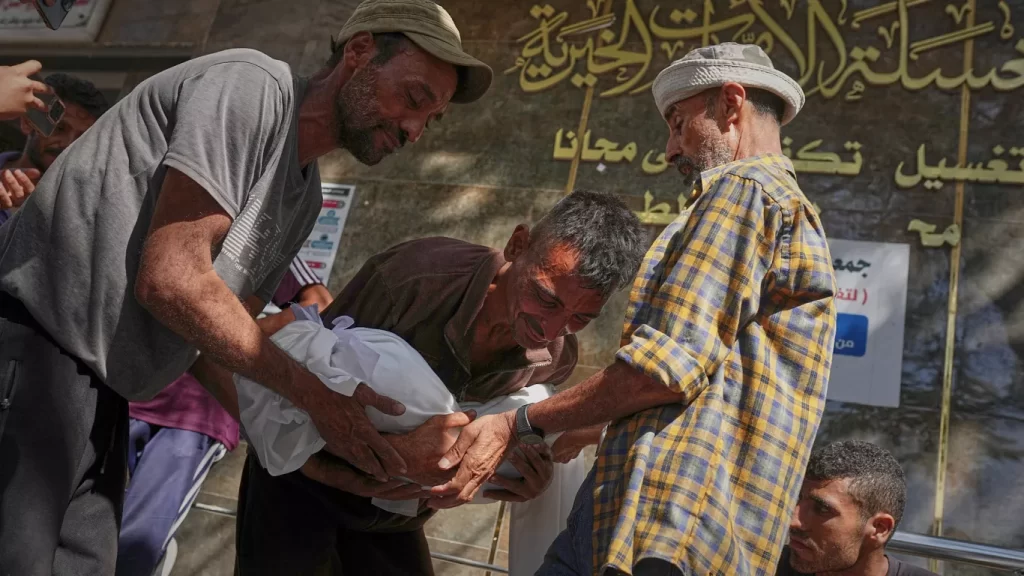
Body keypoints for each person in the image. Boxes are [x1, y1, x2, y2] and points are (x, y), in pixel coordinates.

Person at [0, 0, 492, 572]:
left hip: (107, 397)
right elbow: (173, 279)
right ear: (359, 52)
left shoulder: (304, 198)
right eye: (413, 98)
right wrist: (319, 400)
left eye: (432, 120)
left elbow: (208, 342)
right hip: (38, 353)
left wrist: (310, 457)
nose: (414, 130)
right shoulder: (251, 85)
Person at [423, 43, 838, 576]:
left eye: (678, 124)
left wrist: (517, 422)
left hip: (667, 529)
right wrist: (593, 423)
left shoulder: (741, 192)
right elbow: (709, 382)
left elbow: (662, 369)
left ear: (731, 105)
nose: (669, 149)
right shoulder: (788, 209)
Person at [233, 190, 648, 576]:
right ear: (517, 245)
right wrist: (394, 455)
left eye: (581, 318)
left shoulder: (556, 357)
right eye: (545, 298)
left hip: (394, 519)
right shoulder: (412, 279)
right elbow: (302, 382)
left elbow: (501, 439)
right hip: (300, 488)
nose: (551, 329)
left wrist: (528, 481)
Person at [116, 257, 332, 576]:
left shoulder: (260, 238)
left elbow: (320, 303)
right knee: (86, 528)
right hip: (126, 391)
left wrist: (232, 337)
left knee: (136, 548)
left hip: (194, 414)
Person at [777, 441, 937, 576]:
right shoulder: (768, 565)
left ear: (879, 528)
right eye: (797, 499)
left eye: (822, 509)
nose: (793, 521)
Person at [0, 72, 110, 225]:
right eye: (59, 128)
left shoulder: (92, 209)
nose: (68, 144)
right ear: (27, 123)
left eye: (83, 138)